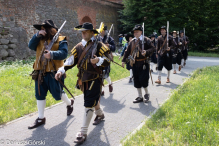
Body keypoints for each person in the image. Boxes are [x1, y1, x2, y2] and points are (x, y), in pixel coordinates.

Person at [55, 22, 111, 144]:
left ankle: (83, 132)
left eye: (85, 31)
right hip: (82, 79)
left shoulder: (100, 45)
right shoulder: (79, 46)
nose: (83, 33)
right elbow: (70, 60)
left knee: (88, 102)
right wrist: (61, 69)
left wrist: (99, 60)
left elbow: (109, 59)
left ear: (92, 33)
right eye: (82, 31)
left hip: (95, 78)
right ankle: (100, 114)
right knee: (91, 99)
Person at [28, 20, 74, 129]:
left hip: (55, 72)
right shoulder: (38, 39)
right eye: (41, 29)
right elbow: (30, 46)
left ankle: (69, 103)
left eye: (44, 29)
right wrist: (36, 35)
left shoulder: (61, 39)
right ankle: (41, 118)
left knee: (57, 95)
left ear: (51, 29)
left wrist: (52, 54)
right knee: (39, 94)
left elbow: (64, 53)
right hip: (40, 71)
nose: (42, 30)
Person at [122, 24, 155, 103]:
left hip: (143, 63)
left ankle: (147, 94)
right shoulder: (132, 41)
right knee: (136, 80)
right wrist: (123, 60)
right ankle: (140, 96)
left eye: (137, 32)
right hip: (134, 64)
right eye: (134, 32)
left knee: (143, 80)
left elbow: (153, 48)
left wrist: (146, 52)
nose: (135, 33)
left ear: (141, 32)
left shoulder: (146, 40)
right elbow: (127, 51)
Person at [98, 25, 116, 96]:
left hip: (106, 58)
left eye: (103, 30)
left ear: (105, 31)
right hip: (99, 58)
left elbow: (114, 48)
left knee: (105, 74)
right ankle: (101, 90)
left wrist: (109, 46)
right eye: (101, 30)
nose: (101, 31)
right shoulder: (98, 38)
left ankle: (110, 83)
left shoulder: (109, 39)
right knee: (99, 74)